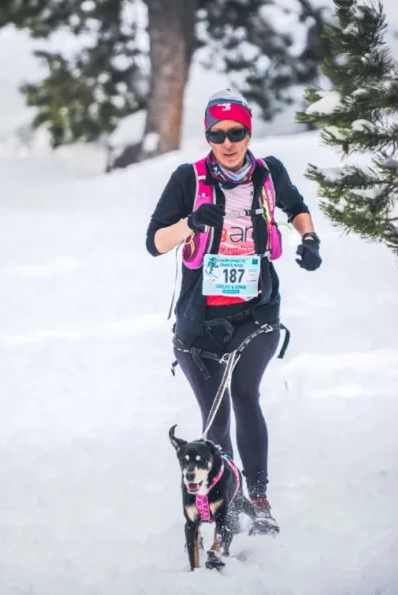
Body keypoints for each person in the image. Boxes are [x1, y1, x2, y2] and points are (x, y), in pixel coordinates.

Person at [145, 88, 322, 534]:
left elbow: (297, 207)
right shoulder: (188, 179)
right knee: (216, 416)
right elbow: (154, 242)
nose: (227, 142)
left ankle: (259, 498)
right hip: (199, 323)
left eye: (236, 132)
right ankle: (233, 498)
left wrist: (309, 240)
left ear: (249, 132)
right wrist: (192, 221)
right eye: (217, 133)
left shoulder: (268, 173)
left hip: (256, 312)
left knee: (245, 395)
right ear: (207, 135)